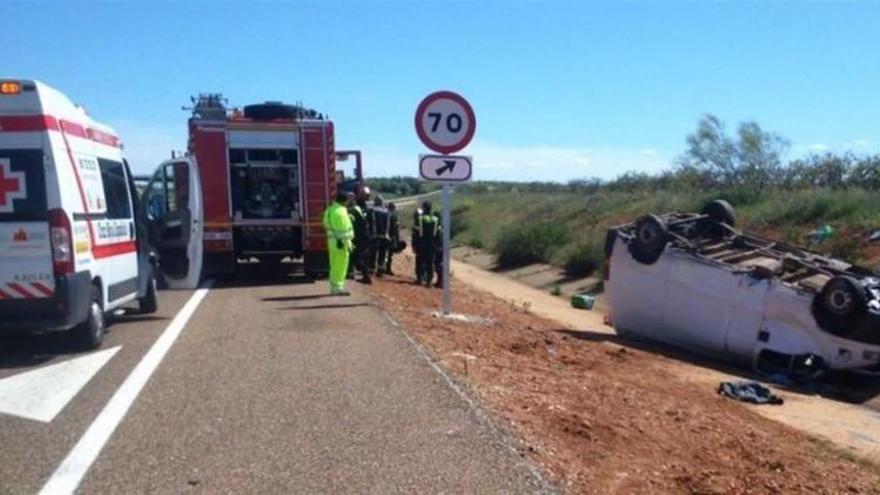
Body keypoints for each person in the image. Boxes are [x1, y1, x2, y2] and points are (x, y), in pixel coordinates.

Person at [322, 191, 354, 296]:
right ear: (345, 201)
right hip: (341, 243)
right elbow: (344, 231)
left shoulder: (330, 210)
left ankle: (334, 286)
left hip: (332, 242)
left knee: (334, 265)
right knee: (341, 265)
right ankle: (338, 287)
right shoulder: (342, 212)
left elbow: (326, 224)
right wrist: (348, 243)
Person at [414, 202, 441, 287]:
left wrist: (415, 245)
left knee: (420, 261)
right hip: (432, 244)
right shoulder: (436, 219)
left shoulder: (420, 219)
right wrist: (438, 245)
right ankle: (429, 281)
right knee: (430, 263)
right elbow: (438, 234)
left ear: (424, 208)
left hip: (422, 243)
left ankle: (420, 279)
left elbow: (416, 233)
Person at [368, 196, 394, 277]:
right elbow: (390, 224)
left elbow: (370, 223)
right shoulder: (387, 212)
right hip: (385, 236)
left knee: (373, 253)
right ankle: (380, 271)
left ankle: (371, 270)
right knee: (382, 254)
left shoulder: (372, 211)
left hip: (375, 236)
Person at [348, 194, 372, 284]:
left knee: (357, 256)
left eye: (350, 199)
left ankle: (366, 276)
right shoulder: (359, 209)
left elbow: (355, 224)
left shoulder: (353, 210)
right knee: (362, 256)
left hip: (360, 236)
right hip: (364, 235)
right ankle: (366, 276)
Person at [385, 202, 400, 275]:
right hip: (392, 235)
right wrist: (397, 238)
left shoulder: (386, 214)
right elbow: (396, 228)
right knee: (389, 254)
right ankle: (387, 268)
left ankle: (383, 267)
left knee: (385, 252)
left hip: (386, 235)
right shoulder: (394, 216)